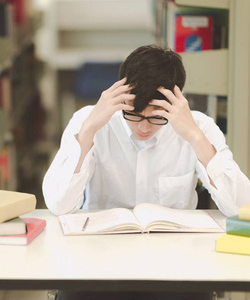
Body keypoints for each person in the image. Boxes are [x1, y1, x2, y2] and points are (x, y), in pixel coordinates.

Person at [42, 45, 250, 300]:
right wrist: (88, 131)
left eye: (156, 117)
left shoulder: (199, 127)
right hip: (99, 261)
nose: (143, 127)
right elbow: (58, 204)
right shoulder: (89, 120)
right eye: (133, 114)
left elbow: (241, 206)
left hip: (176, 265)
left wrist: (195, 137)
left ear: (177, 101)